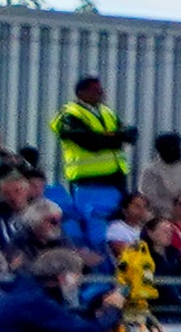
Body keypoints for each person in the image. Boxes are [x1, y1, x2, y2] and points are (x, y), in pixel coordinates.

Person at [50, 75, 136, 249]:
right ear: (81, 92)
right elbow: (90, 143)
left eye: (101, 89)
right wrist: (115, 137)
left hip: (115, 179)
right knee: (94, 227)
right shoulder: (69, 114)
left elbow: (130, 134)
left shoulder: (106, 112)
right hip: (88, 182)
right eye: (95, 90)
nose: (101, 93)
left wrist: (108, 137)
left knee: (117, 225)